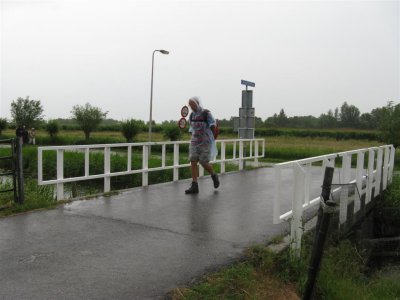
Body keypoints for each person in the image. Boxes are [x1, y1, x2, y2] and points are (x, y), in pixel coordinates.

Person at [185, 96, 220, 194]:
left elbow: (213, 125)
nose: (191, 106)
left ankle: (214, 175)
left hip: (205, 142)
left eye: (192, 104)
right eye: (189, 104)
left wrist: (212, 138)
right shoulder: (191, 115)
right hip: (194, 142)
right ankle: (194, 185)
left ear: (197, 103)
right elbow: (192, 128)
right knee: (193, 161)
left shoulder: (206, 113)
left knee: (203, 162)